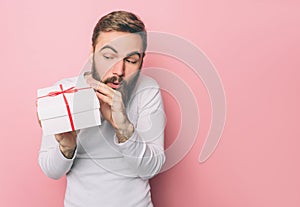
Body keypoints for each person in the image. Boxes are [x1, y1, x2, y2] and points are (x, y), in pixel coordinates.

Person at [38, 11, 166, 207]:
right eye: (108, 56)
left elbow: (150, 169)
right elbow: (51, 171)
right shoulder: (65, 93)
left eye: (131, 60)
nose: (119, 71)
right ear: (92, 52)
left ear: (142, 60)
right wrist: (66, 147)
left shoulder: (147, 90)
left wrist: (123, 127)